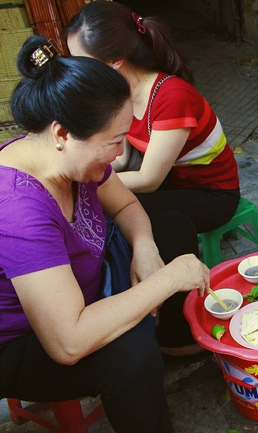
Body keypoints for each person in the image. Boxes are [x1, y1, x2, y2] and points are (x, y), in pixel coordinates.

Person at [0, 36, 210, 432]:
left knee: (172, 224)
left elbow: (128, 205)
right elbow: (68, 342)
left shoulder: (70, 157)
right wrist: (165, 280)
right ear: (62, 134)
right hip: (25, 338)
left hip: (86, 284)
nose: (119, 154)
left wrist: (145, 249)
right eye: (115, 142)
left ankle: (169, 340)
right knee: (130, 355)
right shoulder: (17, 210)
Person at [64, 0, 240, 356]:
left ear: (115, 63)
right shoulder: (121, 93)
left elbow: (147, 179)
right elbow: (125, 154)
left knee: (130, 209)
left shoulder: (171, 96)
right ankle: (168, 317)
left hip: (214, 194)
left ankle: (160, 317)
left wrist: (85, 184)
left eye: (82, 62)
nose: (77, 72)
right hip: (178, 187)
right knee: (163, 221)